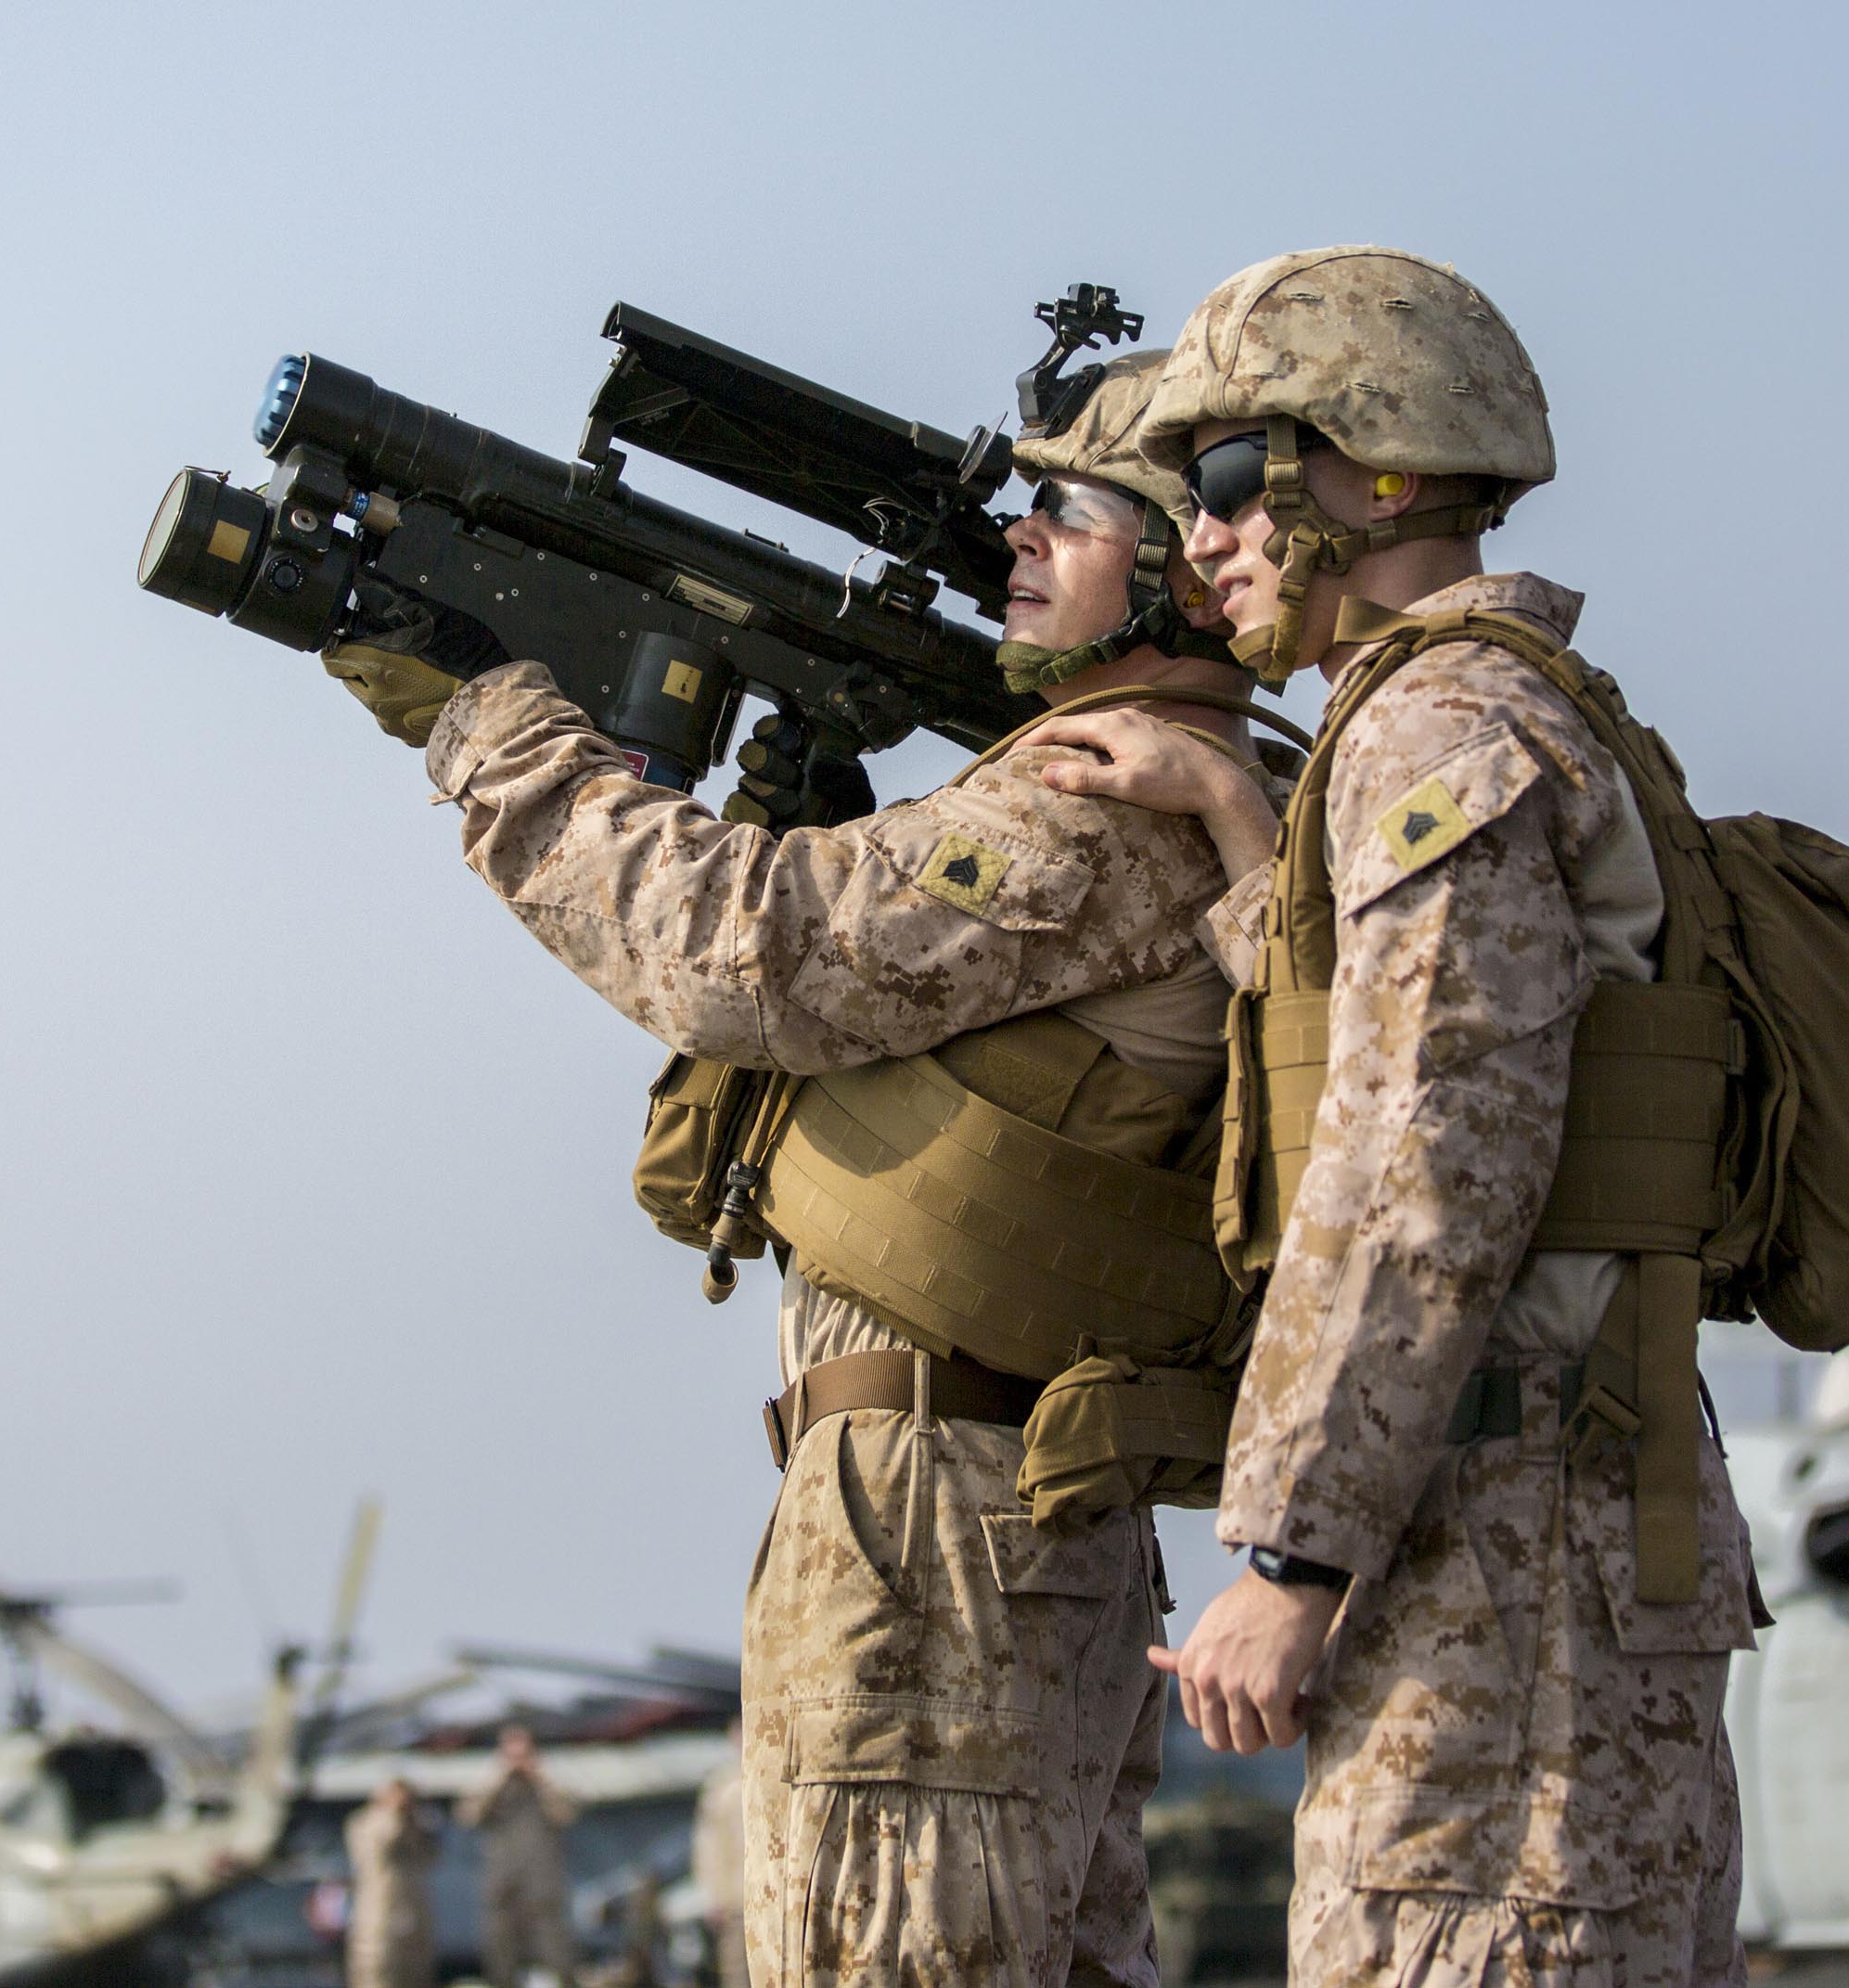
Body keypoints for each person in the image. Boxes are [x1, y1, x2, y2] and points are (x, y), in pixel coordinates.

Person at [318, 349, 1271, 1987]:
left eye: (1072, 511)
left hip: (941, 1519)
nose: (1021, 542)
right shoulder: (1140, 799)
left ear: (1183, 566)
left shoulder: (1103, 805)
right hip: (984, 1507)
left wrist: (489, 718)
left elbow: (745, 952)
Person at [1034, 248, 1756, 1986]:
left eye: (1225, 479)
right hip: (1527, 1542)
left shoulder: (1436, 727)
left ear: (1369, 473)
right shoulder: (1474, 719)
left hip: (1508, 1567)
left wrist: (1291, 1546)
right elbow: (1368, 1045)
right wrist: (1226, 811)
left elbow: (1425, 1153)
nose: (1200, 535)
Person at [457, 1726, 580, 1987]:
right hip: (503, 1884)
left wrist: (539, 1776)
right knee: (501, 1953)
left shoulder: (546, 1783)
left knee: (554, 1948)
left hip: (543, 1884)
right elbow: (468, 1817)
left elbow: (567, 1814)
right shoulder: (491, 1783)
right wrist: (499, 1778)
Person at [341, 1776, 438, 1988]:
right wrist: (392, 1812)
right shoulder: (365, 1822)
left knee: (415, 1974)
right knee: (376, 1975)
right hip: (378, 1918)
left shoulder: (414, 1824)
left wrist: (410, 1818)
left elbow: (430, 1857)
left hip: (413, 1913)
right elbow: (380, 1845)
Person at [691, 1721, 748, 1988]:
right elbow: (708, 1847)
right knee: (737, 1975)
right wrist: (713, 1896)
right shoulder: (722, 1786)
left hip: (778, 1901)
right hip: (736, 1901)